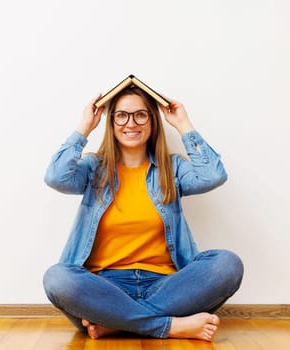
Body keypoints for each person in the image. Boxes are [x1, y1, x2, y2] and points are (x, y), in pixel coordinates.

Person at [42, 86, 244, 342]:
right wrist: (85, 126)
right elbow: (55, 176)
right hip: (105, 289)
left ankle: (116, 323)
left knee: (227, 264)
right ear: (111, 122)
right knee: (58, 278)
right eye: (122, 115)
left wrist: (183, 124)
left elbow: (213, 175)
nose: (131, 123)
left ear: (152, 121)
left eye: (140, 115)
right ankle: (169, 326)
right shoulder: (94, 168)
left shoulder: (172, 168)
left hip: (166, 287)